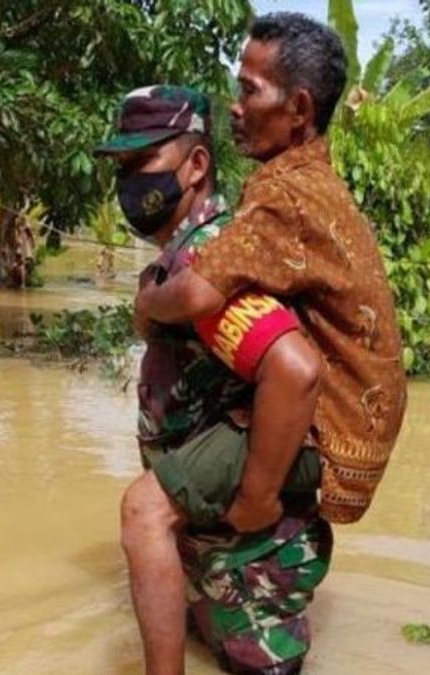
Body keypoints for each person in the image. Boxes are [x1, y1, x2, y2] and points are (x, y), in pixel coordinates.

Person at [136, 12, 408, 527]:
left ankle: (258, 504)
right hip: (362, 425)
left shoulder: (284, 194)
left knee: (142, 512)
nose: (236, 108)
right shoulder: (314, 181)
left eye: (250, 91)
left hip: (331, 430)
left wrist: (147, 301)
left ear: (299, 108)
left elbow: (196, 294)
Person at [95, 85, 332, 675]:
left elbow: (296, 371)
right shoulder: (188, 257)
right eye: (121, 167)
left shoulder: (208, 261)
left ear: (196, 165)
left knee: (140, 512)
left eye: (141, 163)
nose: (128, 182)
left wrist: (256, 498)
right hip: (215, 558)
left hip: (251, 573)